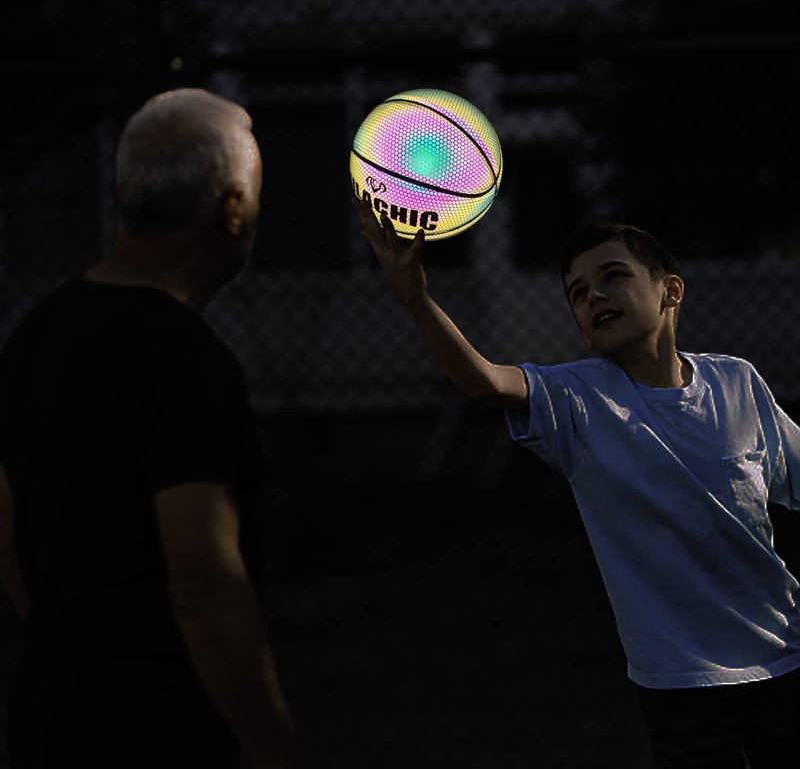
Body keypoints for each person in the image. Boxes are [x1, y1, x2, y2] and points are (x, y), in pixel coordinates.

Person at [353, 196, 800, 768]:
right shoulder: (576, 400)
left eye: (613, 277)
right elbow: (487, 381)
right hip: (681, 684)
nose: (594, 296)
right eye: (578, 293)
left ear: (670, 291)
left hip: (785, 658)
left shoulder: (736, 382)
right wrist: (415, 298)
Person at [0, 88, 303, 769]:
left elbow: (6, 538)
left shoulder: (32, 338)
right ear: (231, 209)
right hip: (163, 732)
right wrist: (272, 748)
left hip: (45, 720)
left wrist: (69, 646)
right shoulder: (186, 361)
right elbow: (202, 581)